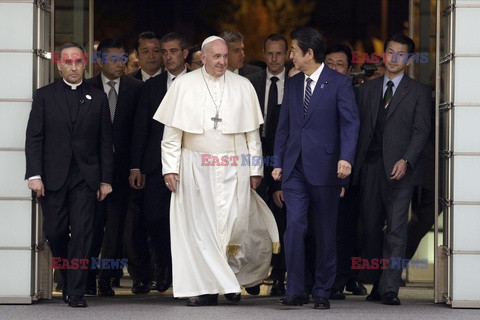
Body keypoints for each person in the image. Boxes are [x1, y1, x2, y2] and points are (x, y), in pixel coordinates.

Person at [153, 35, 279, 307]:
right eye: (217, 57)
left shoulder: (243, 86)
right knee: (200, 229)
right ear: (203, 58)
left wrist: (255, 168)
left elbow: (252, 135)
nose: (222, 62)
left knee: (233, 225)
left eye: (225, 57)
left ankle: (230, 282)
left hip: (234, 166)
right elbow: (172, 135)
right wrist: (169, 169)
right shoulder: (183, 85)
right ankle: (206, 288)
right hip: (195, 168)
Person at [272, 27, 359, 310]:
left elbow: (350, 123)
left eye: (293, 50)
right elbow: (283, 127)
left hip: (326, 169)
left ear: (309, 53)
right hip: (294, 168)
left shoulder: (339, 83)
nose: (290, 55)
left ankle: (322, 289)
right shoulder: (293, 83)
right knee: (294, 228)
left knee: (325, 232)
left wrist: (346, 158)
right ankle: (295, 289)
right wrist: (278, 162)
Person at [25, 42, 113, 307]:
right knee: (55, 231)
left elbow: (105, 142)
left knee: (84, 232)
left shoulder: (97, 98)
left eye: (78, 62)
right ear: (60, 65)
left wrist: (106, 179)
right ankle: (66, 274)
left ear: (84, 64)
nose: (74, 67)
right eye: (68, 62)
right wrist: (34, 174)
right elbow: (34, 138)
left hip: (85, 178)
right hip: (52, 177)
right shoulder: (44, 96)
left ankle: (75, 290)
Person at [351, 34, 431, 305]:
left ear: (408, 60)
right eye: (390, 52)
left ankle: (390, 289)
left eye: (400, 54)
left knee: (396, 230)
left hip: (401, 171)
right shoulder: (367, 90)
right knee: (371, 228)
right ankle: (376, 283)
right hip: (370, 167)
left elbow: (421, 131)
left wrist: (406, 160)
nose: (394, 58)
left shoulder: (418, 92)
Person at [129, 32, 188, 294]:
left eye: (173, 51)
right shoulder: (151, 86)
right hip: (156, 166)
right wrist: (136, 166)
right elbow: (141, 129)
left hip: (191, 164)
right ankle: (165, 265)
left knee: (190, 222)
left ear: (185, 53)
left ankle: (186, 272)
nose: (167, 57)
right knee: (154, 219)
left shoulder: (200, 82)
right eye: (164, 52)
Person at [85, 38, 144, 296]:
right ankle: (85, 277)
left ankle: (106, 278)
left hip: (122, 171)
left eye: (122, 59)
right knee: (92, 225)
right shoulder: (86, 88)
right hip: (92, 170)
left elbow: (140, 132)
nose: (119, 65)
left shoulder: (136, 89)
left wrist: (135, 167)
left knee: (117, 227)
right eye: (112, 59)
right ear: (100, 61)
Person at [324, 44, 368, 300]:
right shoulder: (315, 92)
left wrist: (347, 176)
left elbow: (357, 137)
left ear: (349, 69)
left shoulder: (358, 95)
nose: (334, 68)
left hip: (349, 176)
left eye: (339, 64)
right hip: (320, 175)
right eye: (329, 63)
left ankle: (342, 279)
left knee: (346, 230)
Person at [247, 33, 289, 297]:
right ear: (264, 54)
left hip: (281, 154)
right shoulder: (249, 82)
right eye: (269, 53)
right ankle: (251, 274)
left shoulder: (296, 84)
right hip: (251, 154)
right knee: (250, 217)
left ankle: (280, 276)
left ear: (286, 55)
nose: (274, 59)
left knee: (281, 216)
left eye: (279, 53)